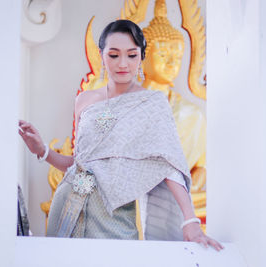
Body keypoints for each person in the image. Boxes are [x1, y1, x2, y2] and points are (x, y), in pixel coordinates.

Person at [19, 19, 223, 251]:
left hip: (113, 214)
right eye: (114, 55)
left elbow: (169, 165)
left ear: (141, 57)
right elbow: (81, 163)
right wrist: (42, 151)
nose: (122, 63)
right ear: (101, 55)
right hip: (68, 206)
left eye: (132, 55)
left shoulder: (151, 103)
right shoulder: (85, 101)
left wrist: (190, 221)